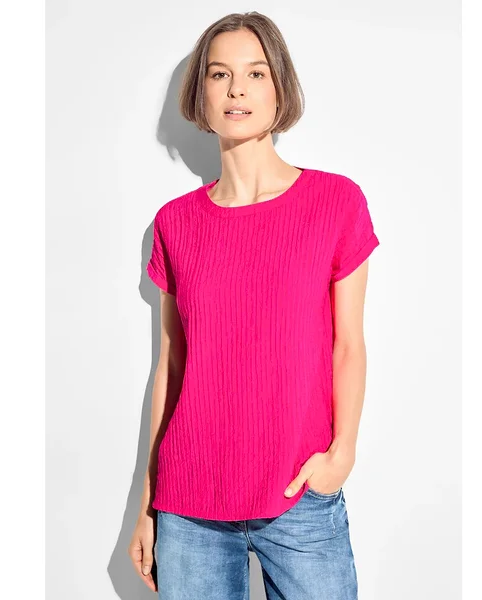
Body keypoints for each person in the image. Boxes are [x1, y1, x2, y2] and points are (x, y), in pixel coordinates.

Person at [129, 11, 380, 599]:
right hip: (189, 505)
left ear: (279, 89)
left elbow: (349, 345)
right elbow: (170, 366)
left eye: (255, 73)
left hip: (300, 495)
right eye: (219, 74)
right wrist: (147, 503)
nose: (236, 89)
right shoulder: (175, 223)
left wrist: (341, 455)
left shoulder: (335, 202)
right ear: (202, 94)